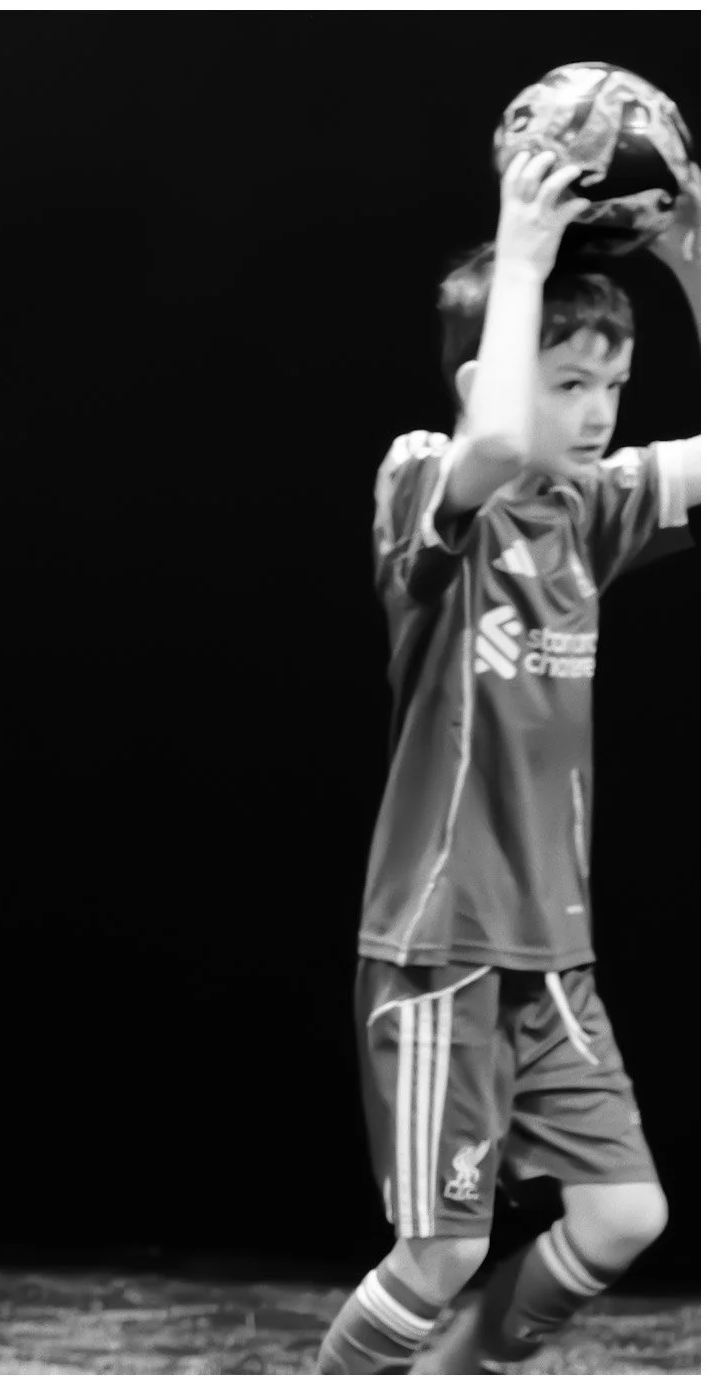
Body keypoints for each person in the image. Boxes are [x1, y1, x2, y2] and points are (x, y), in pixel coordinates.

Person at [317, 148, 700, 1374]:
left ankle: (448, 1377)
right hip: (443, 946)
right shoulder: (421, 478)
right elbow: (486, 443)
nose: (600, 410)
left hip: (553, 954)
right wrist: (522, 247)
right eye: (570, 380)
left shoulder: (593, 506)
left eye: (616, 383)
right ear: (490, 380)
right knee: (436, 1253)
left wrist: (693, 256)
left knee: (622, 1213)